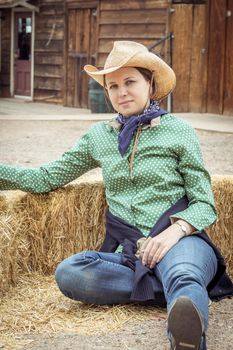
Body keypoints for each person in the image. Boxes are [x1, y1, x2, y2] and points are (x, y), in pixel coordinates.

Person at [0, 41, 232, 350]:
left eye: (130, 82)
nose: (121, 92)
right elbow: (46, 177)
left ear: (150, 83)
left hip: (181, 243)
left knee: (184, 272)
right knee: (70, 273)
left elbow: (205, 204)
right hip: (130, 254)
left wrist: (173, 233)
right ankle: (172, 292)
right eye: (113, 86)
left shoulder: (179, 131)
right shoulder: (99, 137)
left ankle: (186, 328)